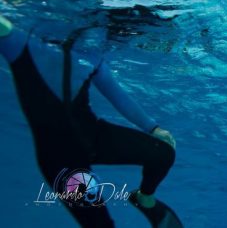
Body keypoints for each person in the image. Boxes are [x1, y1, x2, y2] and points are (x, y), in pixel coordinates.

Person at [0, 13, 182, 227]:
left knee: (163, 153)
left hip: (95, 137)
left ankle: (145, 199)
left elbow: (118, 95)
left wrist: (153, 128)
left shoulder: (89, 56)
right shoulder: (22, 43)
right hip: (61, 160)